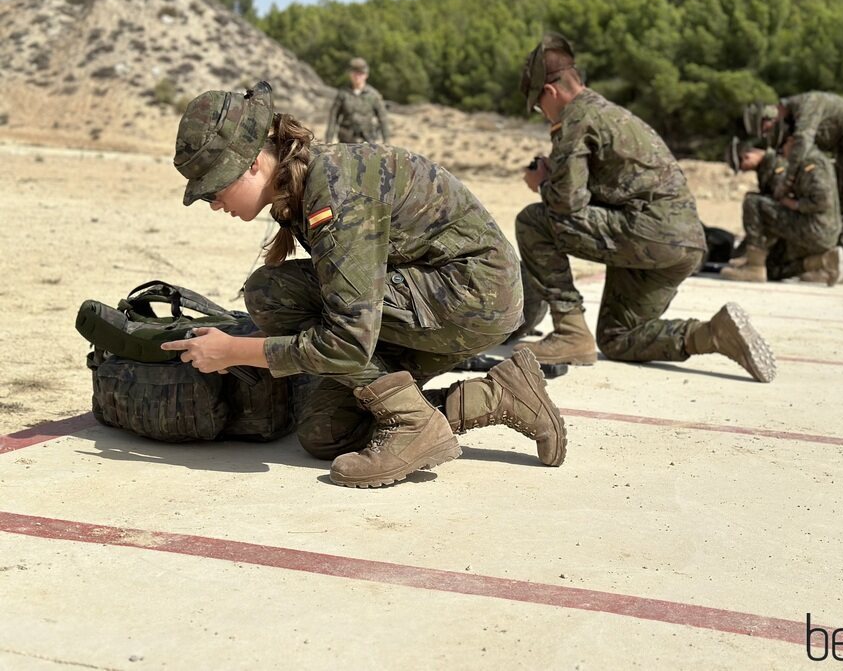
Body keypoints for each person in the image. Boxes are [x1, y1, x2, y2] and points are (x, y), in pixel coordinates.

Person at [164, 81, 566, 488]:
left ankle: (411, 421)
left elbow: (348, 341)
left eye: (214, 189)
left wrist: (234, 351)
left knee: (269, 293)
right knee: (326, 432)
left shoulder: (332, 192)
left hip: (472, 298)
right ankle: (498, 397)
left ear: (251, 163)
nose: (215, 204)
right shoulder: (299, 186)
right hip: (435, 300)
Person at [513, 34, 776, 383]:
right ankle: (711, 334)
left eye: (538, 106)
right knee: (618, 338)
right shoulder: (611, 113)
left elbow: (566, 206)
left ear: (551, 93)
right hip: (683, 243)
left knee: (533, 222)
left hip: (646, 234)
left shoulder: (576, 120)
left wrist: (542, 183)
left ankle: (570, 332)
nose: (542, 114)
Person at [744, 92, 843, 251]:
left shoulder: (807, 106)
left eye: (764, 129)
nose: (766, 134)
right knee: (840, 195)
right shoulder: (793, 116)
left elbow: (802, 143)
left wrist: (786, 183)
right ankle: (830, 251)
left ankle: (837, 253)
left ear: (771, 116)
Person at [721, 134, 843, 285]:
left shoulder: (777, 165)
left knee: (752, 202)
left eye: (740, 165)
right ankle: (822, 262)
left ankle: (754, 268)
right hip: (812, 229)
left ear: (748, 155)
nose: (743, 170)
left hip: (812, 229)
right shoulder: (767, 167)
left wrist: (792, 204)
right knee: (772, 269)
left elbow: (775, 211)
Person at [324, 57, 391, 144]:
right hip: (346, 140)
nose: (357, 76)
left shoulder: (373, 95)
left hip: (368, 140)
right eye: (354, 73)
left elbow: (383, 118)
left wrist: (386, 141)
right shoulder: (343, 93)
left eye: (360, 73)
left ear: (366, 75)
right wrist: (328, 140)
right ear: (350, 74)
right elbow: (333, 117)